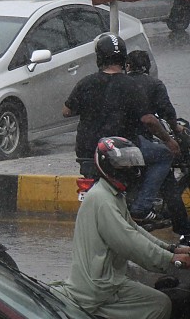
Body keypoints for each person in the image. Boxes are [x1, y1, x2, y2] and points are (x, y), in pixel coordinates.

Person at [57, 136, 190, 319]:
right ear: (107, 165)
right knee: (160, 305)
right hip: (98, 290)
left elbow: (133, 229)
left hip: (108, 282)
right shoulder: (102, 200)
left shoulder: (112, 195)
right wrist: (169, 260)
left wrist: (172, 249)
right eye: (122, 164)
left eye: (130, 163)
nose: (130, 169)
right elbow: (129, 242)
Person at [63, 33, 180, 226]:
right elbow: (148, 119)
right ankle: (142, 207)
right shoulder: (131, 85)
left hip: (88, 154)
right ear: (123, 58)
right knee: (164, 155)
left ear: (99, 58)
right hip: (120, 153)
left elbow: (66, 111)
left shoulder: (86, 83)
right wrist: (169, 141)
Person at [126, 50, 190, 237]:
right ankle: (147, 208)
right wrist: (173, 133)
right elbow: (165, 113)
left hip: (109, 142)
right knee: (166, 158)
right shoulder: (153, 84)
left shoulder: (120, 83)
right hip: (138, 140)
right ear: (148, 67)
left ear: (128, 66)